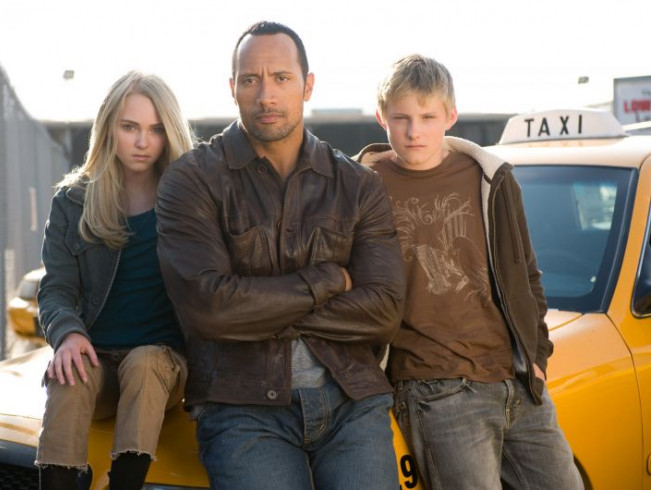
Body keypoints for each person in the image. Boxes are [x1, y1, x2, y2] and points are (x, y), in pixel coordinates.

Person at [156, 20, 405, 490]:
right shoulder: (193, 180)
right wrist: (327, 280)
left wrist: (255, 308)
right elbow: (210, 308)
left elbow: (385, 310)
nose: (266, 95)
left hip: (351, 398)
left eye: (281, 78)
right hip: (242, 407)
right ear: (233, 88)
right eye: (251, 79)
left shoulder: (357, 185)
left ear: (307, 86)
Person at [354, 54, 584, 489]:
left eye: (427, 117)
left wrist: (536, 358)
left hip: (515, 380)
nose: (414, 131)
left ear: (451, 116)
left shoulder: (491, 178)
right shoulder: (359, 186)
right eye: (401, 118)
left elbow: (526, 273)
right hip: (434, 388)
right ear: (382, 116)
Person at [34, 71, 194, 490]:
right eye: (129, 127)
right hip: (100, 363)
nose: (143, 142)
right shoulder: (74, 201)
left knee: (144, 363)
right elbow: (56, 288)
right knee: (70, 372)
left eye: (156, 129)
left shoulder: (190, 200)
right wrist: (67, 334)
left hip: (163, 366)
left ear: (169, 133)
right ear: (109, 128)